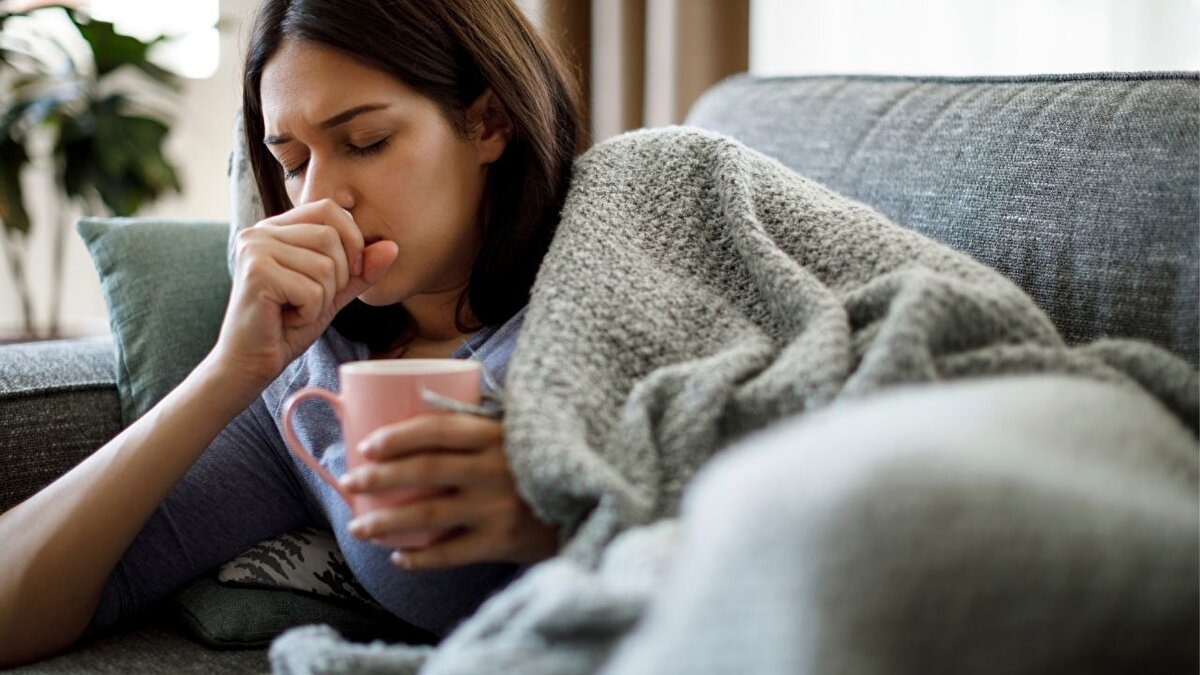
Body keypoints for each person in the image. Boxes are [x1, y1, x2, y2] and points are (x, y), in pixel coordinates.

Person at [0, 0, 582, 665]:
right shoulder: (309, 388)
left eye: (365, 141)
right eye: (294, 162)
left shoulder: (609, 284)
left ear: (490, 122)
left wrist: (566, 519)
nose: (320, 199)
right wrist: (226, 373)